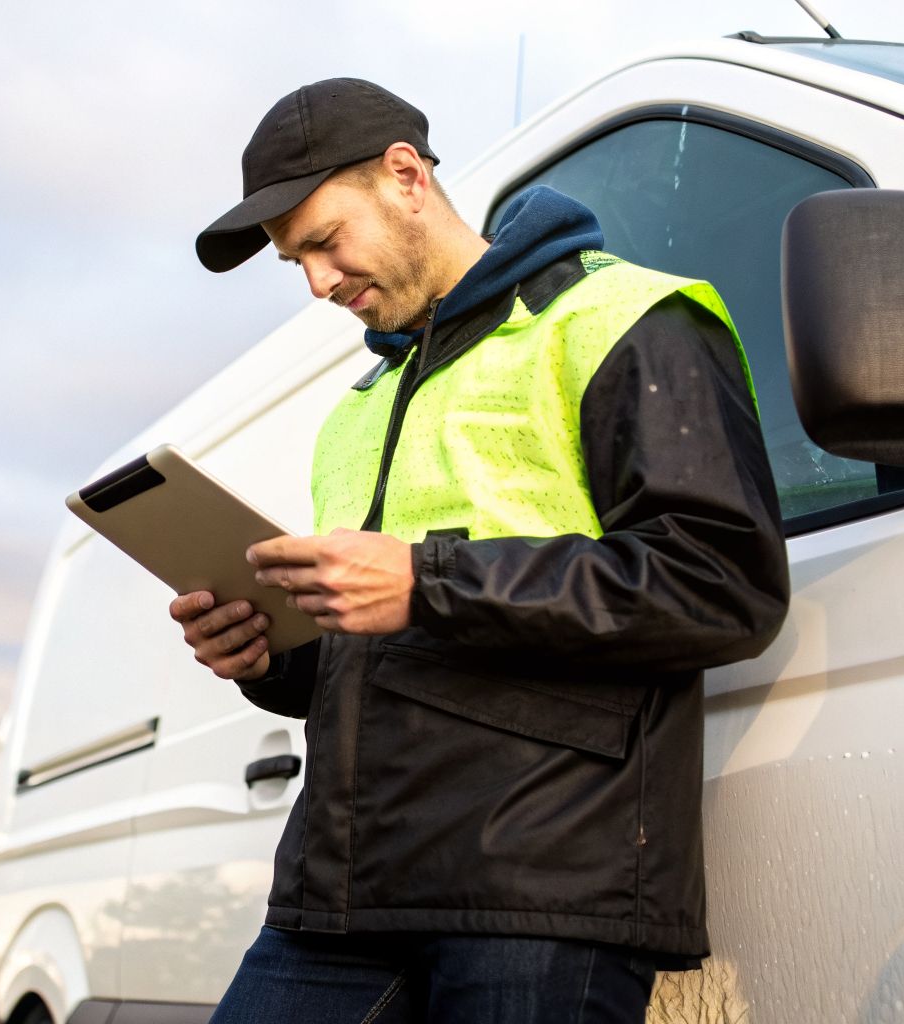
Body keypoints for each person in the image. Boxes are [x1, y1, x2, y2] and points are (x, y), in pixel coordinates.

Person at [167, 78, 791, 1023]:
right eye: (294, 261)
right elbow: (380, 646)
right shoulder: (359, 411)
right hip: (338, 894)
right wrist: (270, 655)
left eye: (325, 242)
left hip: (538, 892)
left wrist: (425, 580)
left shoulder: (621, 319)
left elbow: (719, 584)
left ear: (405, 177)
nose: (317, 283)